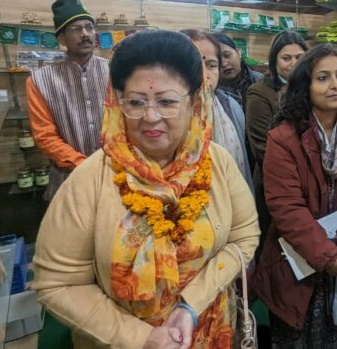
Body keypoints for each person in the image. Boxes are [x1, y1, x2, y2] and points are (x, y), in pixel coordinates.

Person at [32, 30, 260, 348]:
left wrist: (190, 305)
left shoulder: (216, 163)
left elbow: (243, 237)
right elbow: (58, 284)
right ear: (118, 103)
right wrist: (141, 337)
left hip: (213, 331)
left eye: (167, 101)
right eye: (136, 103)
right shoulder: (91, 179)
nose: (150, 117)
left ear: (195, 102)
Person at [251, 43, 337, 347]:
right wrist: (327, 256)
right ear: (306, 86)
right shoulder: (283, 137)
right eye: (323, 78)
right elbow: (286, 207)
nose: (335, 85)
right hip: (298, 262)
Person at [26, 0, 108, 201]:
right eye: (76, 29)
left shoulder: (114, 71)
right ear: (61, 38)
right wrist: (82, 164)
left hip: (113, 174)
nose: (85, 34)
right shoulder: (40, 80)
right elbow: (45, 136)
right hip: (68, 179)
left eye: (89, 27)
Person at [245, 30, 308, 256]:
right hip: (275, 185)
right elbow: (263, 148)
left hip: (310, 185)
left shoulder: (313, 87)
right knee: (274, 250)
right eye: (286, 58)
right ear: (274, 61)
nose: (293, 63)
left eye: (299, 57)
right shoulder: (259, 93)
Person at [180, 29, 253, 191]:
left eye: (211, 65)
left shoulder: (231, 107)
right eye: (194, 64)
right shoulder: (164, 114)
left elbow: (244, 171)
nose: (204, 74)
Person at [211, 31, 263, 109]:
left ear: (238, 53)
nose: (224, 64)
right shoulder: (211, 91)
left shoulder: (260, 81)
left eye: (227, 55)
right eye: (217, 60)